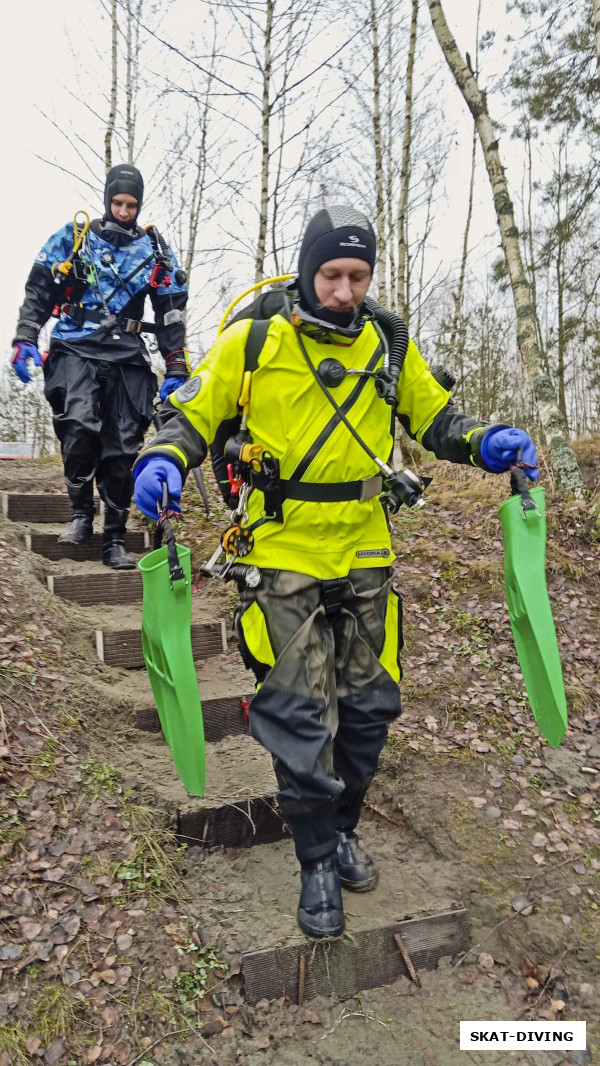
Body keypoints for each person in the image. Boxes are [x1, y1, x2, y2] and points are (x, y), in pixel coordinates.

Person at [133, 205, 539, 938]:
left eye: (359, 276)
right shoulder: (254, 340)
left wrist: (487, 442)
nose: (347, 291)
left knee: (368, 712)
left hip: (365, 553)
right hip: (279, 550)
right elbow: (192, 417)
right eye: (332, 275)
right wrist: (162, 458)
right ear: (306, 270)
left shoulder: (386, 342)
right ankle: (317, 860)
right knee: (296, 716)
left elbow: (435, 419)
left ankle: (343, 827)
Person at [11, 164, 189, 569]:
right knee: (78, 427)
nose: (124, 211)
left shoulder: (156, 252)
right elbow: (39, 288)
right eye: (118, 202)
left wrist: (176, 365)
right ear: (107, 199)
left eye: (132, 204)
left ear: (139, 205)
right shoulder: (74, 239)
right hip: (75, 345)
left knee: (122, 448)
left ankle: (114, 538)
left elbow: (171, 311)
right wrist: (26, 336)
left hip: (127, 356)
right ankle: (80, 515)